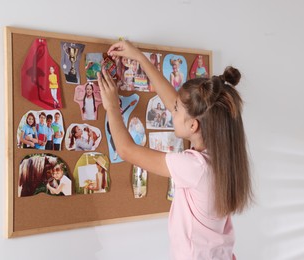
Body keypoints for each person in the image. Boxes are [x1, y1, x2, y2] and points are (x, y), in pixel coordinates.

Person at [98, 40, 252, 260]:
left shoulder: (193, 166)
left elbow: (126, 150)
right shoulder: (222, 157)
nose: (171, 111)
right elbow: (175, 103)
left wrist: (112, 107)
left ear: (193, 126)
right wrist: (140, 58)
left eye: (177, 109)